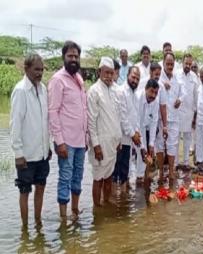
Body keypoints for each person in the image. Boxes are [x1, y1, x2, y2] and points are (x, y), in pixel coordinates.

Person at [10, 54, 51, 227]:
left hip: (41, 153)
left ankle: (38, 223)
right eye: (36, 69)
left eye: (41, 69)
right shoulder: (20, 91)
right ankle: (25, 228)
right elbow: (15, 124)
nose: (39, 73)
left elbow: (45, 121)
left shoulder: (43, 89)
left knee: (40, 188)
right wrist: (18, 154)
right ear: (26, 69)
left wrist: (47, 147)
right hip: (26, 155)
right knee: (25, 191)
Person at [48, 41, 88, 220]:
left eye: (76, 56)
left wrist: (86, 138)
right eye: (70, 56)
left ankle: (75, 211)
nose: (73, 59)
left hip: (80, 140)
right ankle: (63, 218)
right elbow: (53, 112)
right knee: (65, 177)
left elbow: (83, 110)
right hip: (66, 142)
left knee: (78, 177)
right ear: (63, 57)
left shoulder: (79, 79)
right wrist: (59, 141)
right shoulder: (57, 80)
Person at [87, 57, 122, 206]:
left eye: (111, 73)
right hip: (100, 144)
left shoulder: (116, 90)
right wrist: (96, 145)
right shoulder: (94, 91)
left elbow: (118, 116)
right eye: (106, 73)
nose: (109, 76)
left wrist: (119, 139)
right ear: (99, 72)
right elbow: (91, 121)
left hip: (113, 143)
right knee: (98, 178)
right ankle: (97, 210)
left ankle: (106, 204)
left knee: (109, 176)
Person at [136, 62, 167, 184]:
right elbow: (137, 123)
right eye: (151, 92)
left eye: (155, 93)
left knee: (146, 156)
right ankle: (135, 181)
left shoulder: (155, 101)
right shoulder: (138, 98)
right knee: (138, 155)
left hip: (147, 128)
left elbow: (154, 123)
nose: (153, 95)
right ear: (145, 89)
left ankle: (143, 180)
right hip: (134, 129)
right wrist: (143, 146)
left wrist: (151, 144)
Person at [156, 52, 183, 187]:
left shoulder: (177, 80)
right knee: (160, 145)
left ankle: (171, 171)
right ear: (163, 63)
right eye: (168, 64)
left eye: (172, 64)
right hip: (161, 119)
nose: (170, 66)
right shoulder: (159, 79)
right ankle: (161, 172)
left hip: (174, 118)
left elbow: (183, 93)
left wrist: (180, 99)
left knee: (172, 145)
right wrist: (162, 84)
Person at [112, 66, 142, 191]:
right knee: (115, 173)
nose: (135, 80)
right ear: (128, 76)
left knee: (124, 171)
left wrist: (137, 132)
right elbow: (123, 117)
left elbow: (135, 116)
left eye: (137, 79)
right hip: (120, 140)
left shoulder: (135, 94)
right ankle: (113, 204)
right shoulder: (121, 91)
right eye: (133, 77)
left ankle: (122, 203)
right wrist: (133, 134)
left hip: (129, 140)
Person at [176, 53, 198, 170]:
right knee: (176, 137)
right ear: (182, 62)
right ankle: (174, 163)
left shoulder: (194, 77)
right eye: (186, 63)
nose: (188, 66)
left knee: (188, 138)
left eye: (190, 64)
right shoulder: (176, 74)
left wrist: (195, 114)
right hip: (178, 112)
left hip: (189, 112)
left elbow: (196, 96)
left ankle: (185, 162)